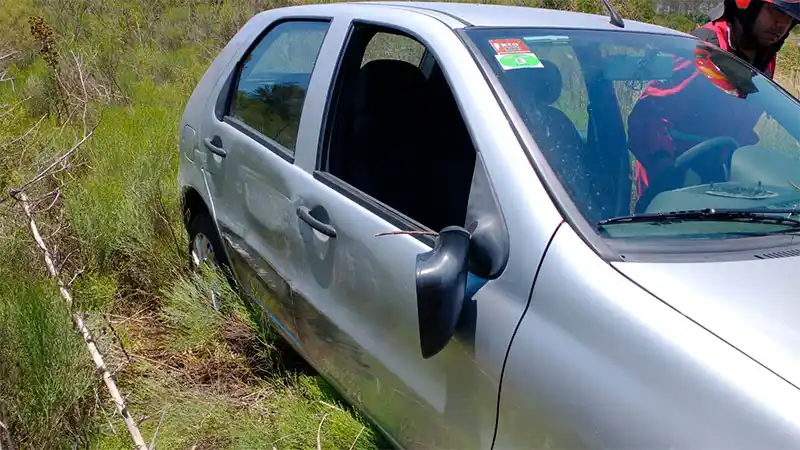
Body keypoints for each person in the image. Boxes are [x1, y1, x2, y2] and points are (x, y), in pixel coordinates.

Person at [627, 0, 799, 211]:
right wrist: (666, 170)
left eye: (790, 18)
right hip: (674, 177)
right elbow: (648, 118)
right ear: (747, 5)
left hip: (722, 175)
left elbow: (755, 115)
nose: (782, 25)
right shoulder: (702, 50)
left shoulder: (765, 56)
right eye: (776, 12)